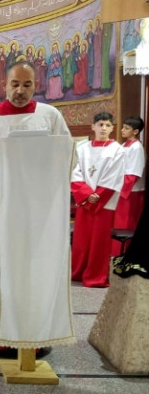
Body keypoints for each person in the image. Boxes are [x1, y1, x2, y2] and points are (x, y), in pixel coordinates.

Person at [0, 62, 70, 356]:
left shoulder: (50, 116)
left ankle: (32, 339)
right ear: (4, 85)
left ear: (36, 85)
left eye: (27, 85)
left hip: (35, 214)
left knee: (32, 273)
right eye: (15, 84)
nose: (20, 91)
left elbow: (68, 158)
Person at [72, 112, 124, 287]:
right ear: (93, 126)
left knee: (99, 242)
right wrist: (86, 194)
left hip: (104, 203)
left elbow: (115, 175)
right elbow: (75, 171)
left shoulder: (117, 149)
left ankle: (95, 276)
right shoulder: (81, 148)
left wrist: (98, 196)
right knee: (81, 240)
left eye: (108, 125)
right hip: (86, 201)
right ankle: (78, 272)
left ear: (112, 128)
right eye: (100, 124)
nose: (103, 128)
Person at [113, 117, 145, 245]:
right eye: (123, 127)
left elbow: (134, 174)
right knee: (117, 224)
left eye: (126, 128)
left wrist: (121, 189)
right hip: (121, 188)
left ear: (135, 131)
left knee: (126, 224)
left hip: (130, 192)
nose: (122, 130)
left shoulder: (136, 148)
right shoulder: (123, 146)